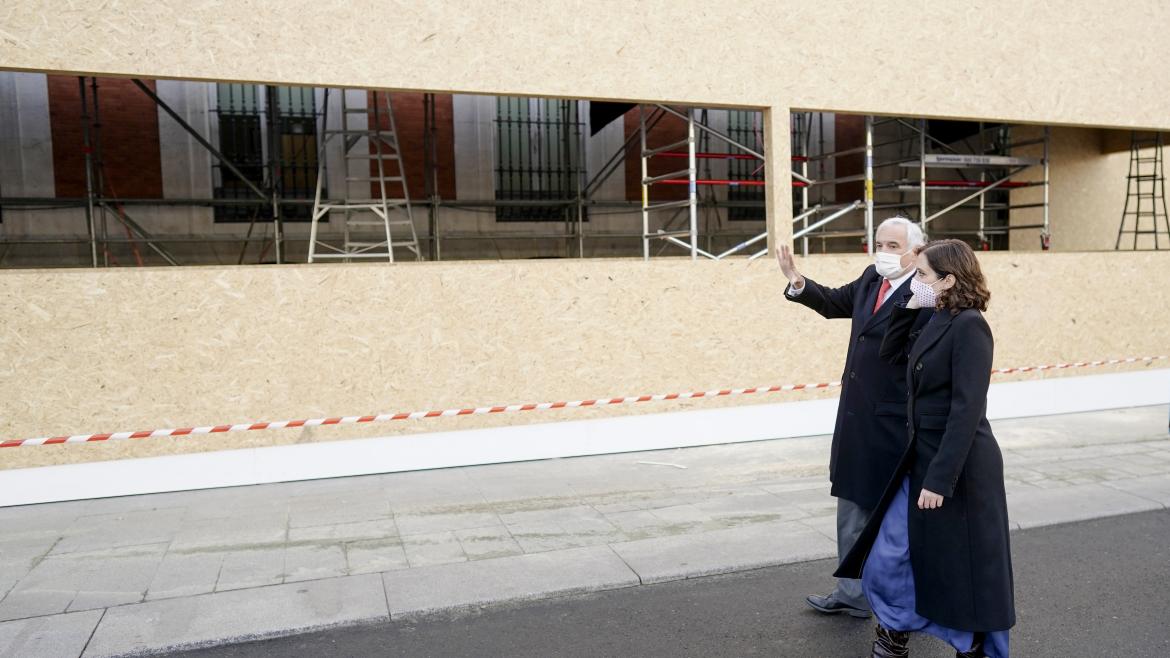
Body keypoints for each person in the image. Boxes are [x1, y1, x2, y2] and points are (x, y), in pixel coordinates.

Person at [835, 239, 1015, 658]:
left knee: (963, 569)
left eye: (923, 276)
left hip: (959, 468)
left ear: (949, 280)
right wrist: (906, 307)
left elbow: (967, 410)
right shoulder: (935, 316)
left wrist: (939, 479)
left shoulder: (970, 326)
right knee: (889, 555)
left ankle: (969, 643)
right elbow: (891, 354)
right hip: (920, 456)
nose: (915, 282)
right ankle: (895, 631)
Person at [776, 216, 932, 618]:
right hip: (856, 418)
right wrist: (798, 282)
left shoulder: (925, 296)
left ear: (917, 251)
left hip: (895, 423)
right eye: (879, 243)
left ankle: (907, 595)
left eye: (893, 246)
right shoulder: (870, 279)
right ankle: (852, 593)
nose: (883, 252)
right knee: (850, 507)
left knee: (895, 517)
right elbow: (833, 303)